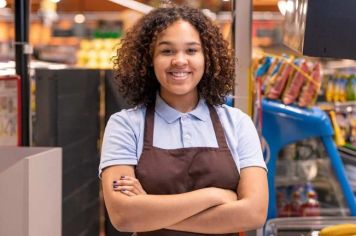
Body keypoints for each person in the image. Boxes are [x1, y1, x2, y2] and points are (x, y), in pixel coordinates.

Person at [99, 5, 268, 236]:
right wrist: (214, 196)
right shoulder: (125, 125)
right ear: (149, 60)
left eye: (191, 50)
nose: (179, 61)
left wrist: (149, 211)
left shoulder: (237, 123)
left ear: (208, 57)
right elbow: (123, 216)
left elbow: (254, 214)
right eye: (166, 51)